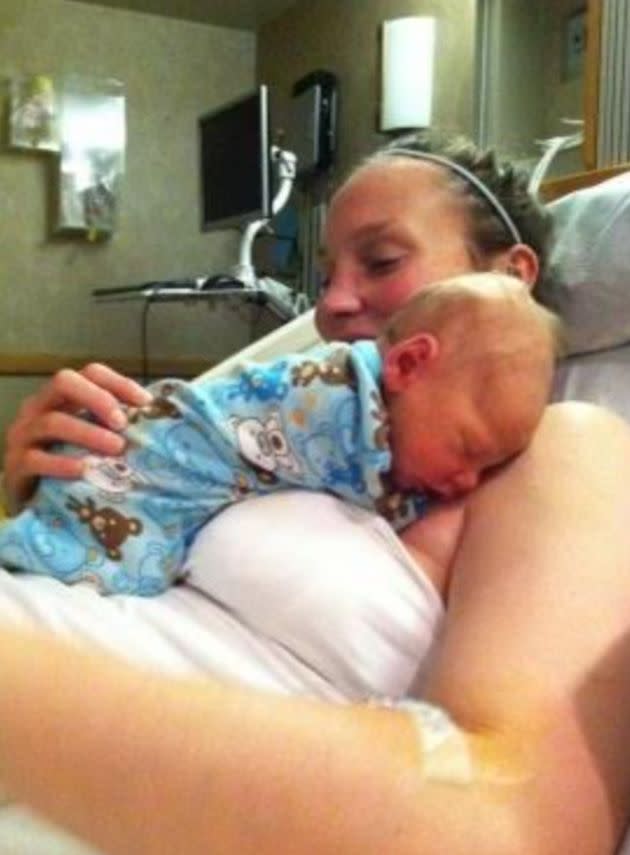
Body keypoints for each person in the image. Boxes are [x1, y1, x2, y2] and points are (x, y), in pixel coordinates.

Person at [1, 132, 630, 855]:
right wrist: (66, 480)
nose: (330, 302)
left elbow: (509, 824)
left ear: (510, 276)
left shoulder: (569, 450)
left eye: (383, 260)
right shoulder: (300, 425)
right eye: (326, 269)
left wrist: (20, 690)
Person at [0, 273, 561, 596]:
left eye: (383, 259)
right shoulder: (340, 405)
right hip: (129, 485)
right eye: (467, 451)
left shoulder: (558, 439)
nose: (468, 480)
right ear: (409, 365)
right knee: (86, 566)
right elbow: (379, 496)